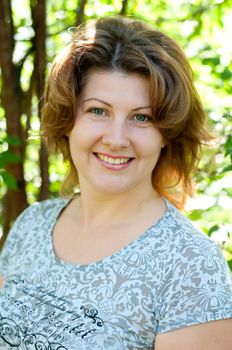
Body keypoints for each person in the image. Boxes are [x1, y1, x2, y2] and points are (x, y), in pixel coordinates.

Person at [0, 16, 231, 350]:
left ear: (167, 132)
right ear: (68, 119)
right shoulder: (32, 225)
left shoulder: (191, 265)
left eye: (142, 117)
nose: (117, 139)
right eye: (98, 111)